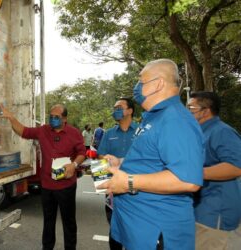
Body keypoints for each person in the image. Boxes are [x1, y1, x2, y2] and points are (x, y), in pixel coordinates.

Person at [98, 59, 204, 249]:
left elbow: (188, 180)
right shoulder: (154, 117)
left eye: (141, 81)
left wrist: (129, 182)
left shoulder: (175, 120)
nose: (136, 86)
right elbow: (151, 159)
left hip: (155, 232)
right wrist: (120, 162)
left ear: (158, 84)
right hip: (136, 227)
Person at [0, 103, 86, 250]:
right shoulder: (43, 130)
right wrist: (11, 118)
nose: (53, 119)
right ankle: (47, 247)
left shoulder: (74, 133)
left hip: (66, 186)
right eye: (51, 117)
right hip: (47, 186)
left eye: (56, 117)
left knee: (69, 222)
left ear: (65, 118)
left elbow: (82, 153)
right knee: (48, 221)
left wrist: (74, 165)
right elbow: (23, 131)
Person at [187, 91, 241, 250]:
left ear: (205, 111)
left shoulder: (222, 131)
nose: (187, 111)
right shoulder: (199, 133)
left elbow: (236, 166)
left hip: (214, 211)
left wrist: (195, 174)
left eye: (191, 108)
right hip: (199, 208)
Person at [97, 97, 138, 250]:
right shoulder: (108, 133)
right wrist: (106, 158)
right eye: (114, 108)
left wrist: (121, 161)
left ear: (130, 111)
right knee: (114, 229)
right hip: (113, 189)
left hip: (137, 188)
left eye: (119, 107)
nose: (116, 110)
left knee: (135, 230)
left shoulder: (141, 132)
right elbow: (101, 155)